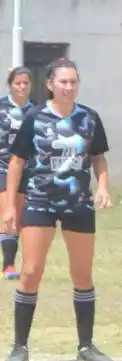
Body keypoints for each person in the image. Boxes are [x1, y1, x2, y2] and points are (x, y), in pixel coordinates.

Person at [3, 59, 113, 361]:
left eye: (73, 81)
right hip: (40, 201)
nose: (68, 87)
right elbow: (16, 162)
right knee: (30, 271)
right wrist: (10, 206)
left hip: (78, 204)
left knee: (82, 274)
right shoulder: (35, 117)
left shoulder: (89, 118)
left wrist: (103, 187)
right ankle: (20, 346)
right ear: (50, 84)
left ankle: (86, 347)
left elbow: (98, 158)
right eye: (63, 82)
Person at [0, 67, 34, 280]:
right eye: (17, 83)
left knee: (19, 217)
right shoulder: (2, 108)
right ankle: (8, 266)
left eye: (25, 83)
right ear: (10, 85)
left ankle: (17, 262)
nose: (21, 86)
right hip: (3, 167)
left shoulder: (36, 111)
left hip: (27, 169)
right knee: (8, 212)